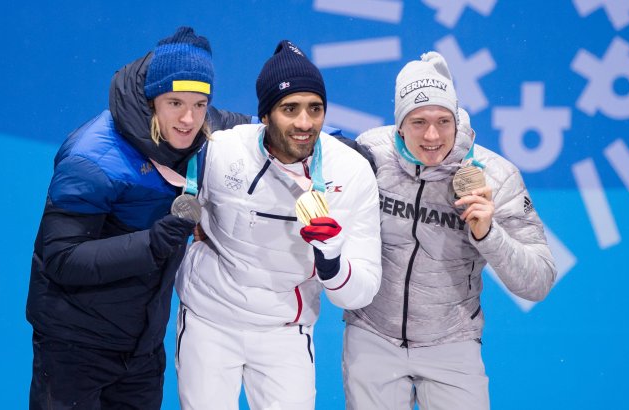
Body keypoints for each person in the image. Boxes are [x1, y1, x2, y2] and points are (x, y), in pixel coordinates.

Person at [26, 27, 252, 409]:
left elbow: (265, 131)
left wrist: (340, 148)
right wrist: (150, 244)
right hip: (74, 347)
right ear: (152, 101)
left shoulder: (204, 123)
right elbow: (62, 258)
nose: (188, 118)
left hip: (142, 350)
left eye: (199, 104)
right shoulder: (94, 158)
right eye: (175, 103)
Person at [174, 40, 382, 410]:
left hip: (285, 332)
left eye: (315, 109)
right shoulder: (222, 151)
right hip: (210, 320)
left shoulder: (350, 172)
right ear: (265, 116)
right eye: (290, 109)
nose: (305, 123)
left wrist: (332, 262)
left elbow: (360, 293)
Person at [343, 51, 558, 409]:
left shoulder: (496, 176)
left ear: (457, 119)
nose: (432, 135)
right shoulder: (371, 155)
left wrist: (489, 235)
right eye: (418, 122)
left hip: (452, 342)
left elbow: (539, 281)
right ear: (398, 123)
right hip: (372, 335)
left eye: (443, 121)